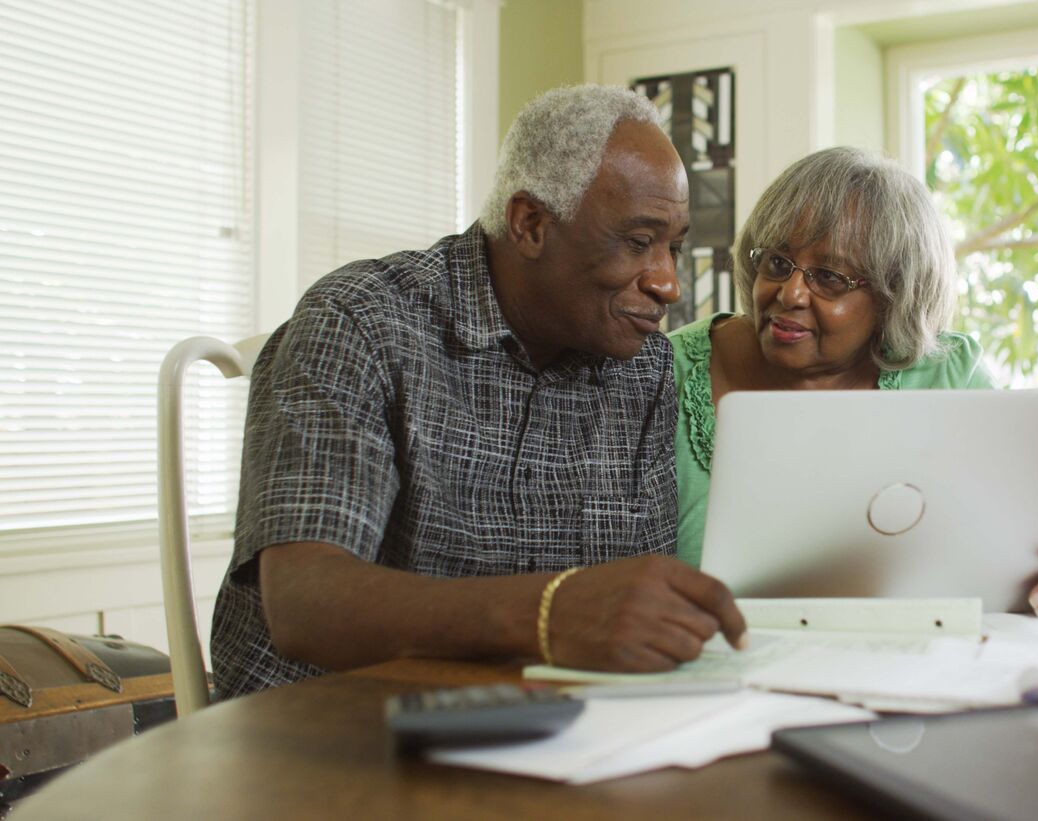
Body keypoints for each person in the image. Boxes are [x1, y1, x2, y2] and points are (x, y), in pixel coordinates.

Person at [211, 85, 746, 700]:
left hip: (535, 723)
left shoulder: (643, 367)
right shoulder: (359, 322)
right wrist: (551, 614)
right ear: (531, 224)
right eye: (637, 242)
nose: (669, 284)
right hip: (325, 729)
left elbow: (622, 613)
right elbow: (305, 602)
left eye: (673, 248)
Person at [669, 146, 1038, 616]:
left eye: (829, 277)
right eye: (777, 263)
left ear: (892, 296)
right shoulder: (666, 371)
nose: (789, 293)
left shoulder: (945, 372)